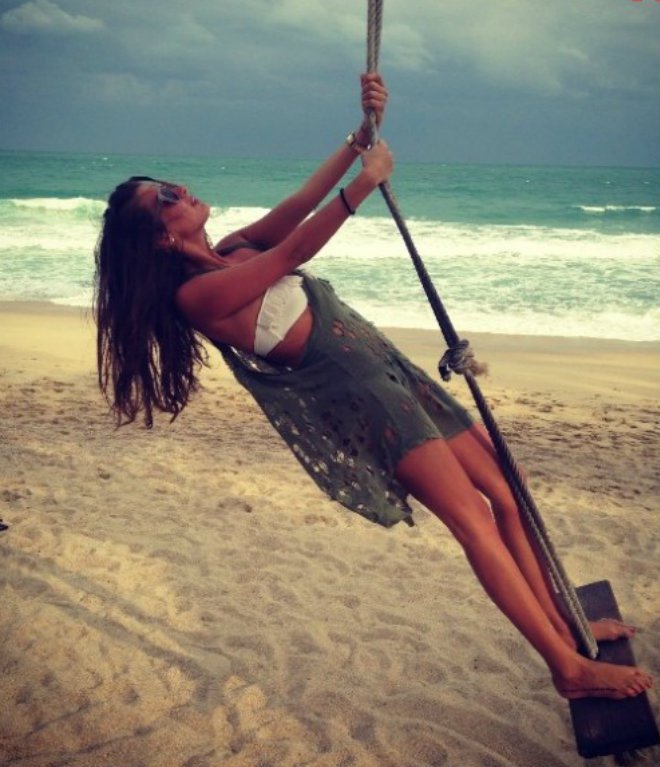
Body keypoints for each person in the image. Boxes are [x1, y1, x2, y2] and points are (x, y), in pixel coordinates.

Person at [95, 73, 652, 702]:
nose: (180, 188)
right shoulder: (197, 295)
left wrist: (357, 140)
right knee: (472, 519)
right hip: (366, 402)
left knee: (508, 486)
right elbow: (292, 252)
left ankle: (567, 624)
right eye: (166, 196)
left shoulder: (233, 248)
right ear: (162, 236)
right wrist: (364, 184)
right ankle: (566, 668)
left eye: (169, 182)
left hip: (393, 372)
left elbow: (301, 204)